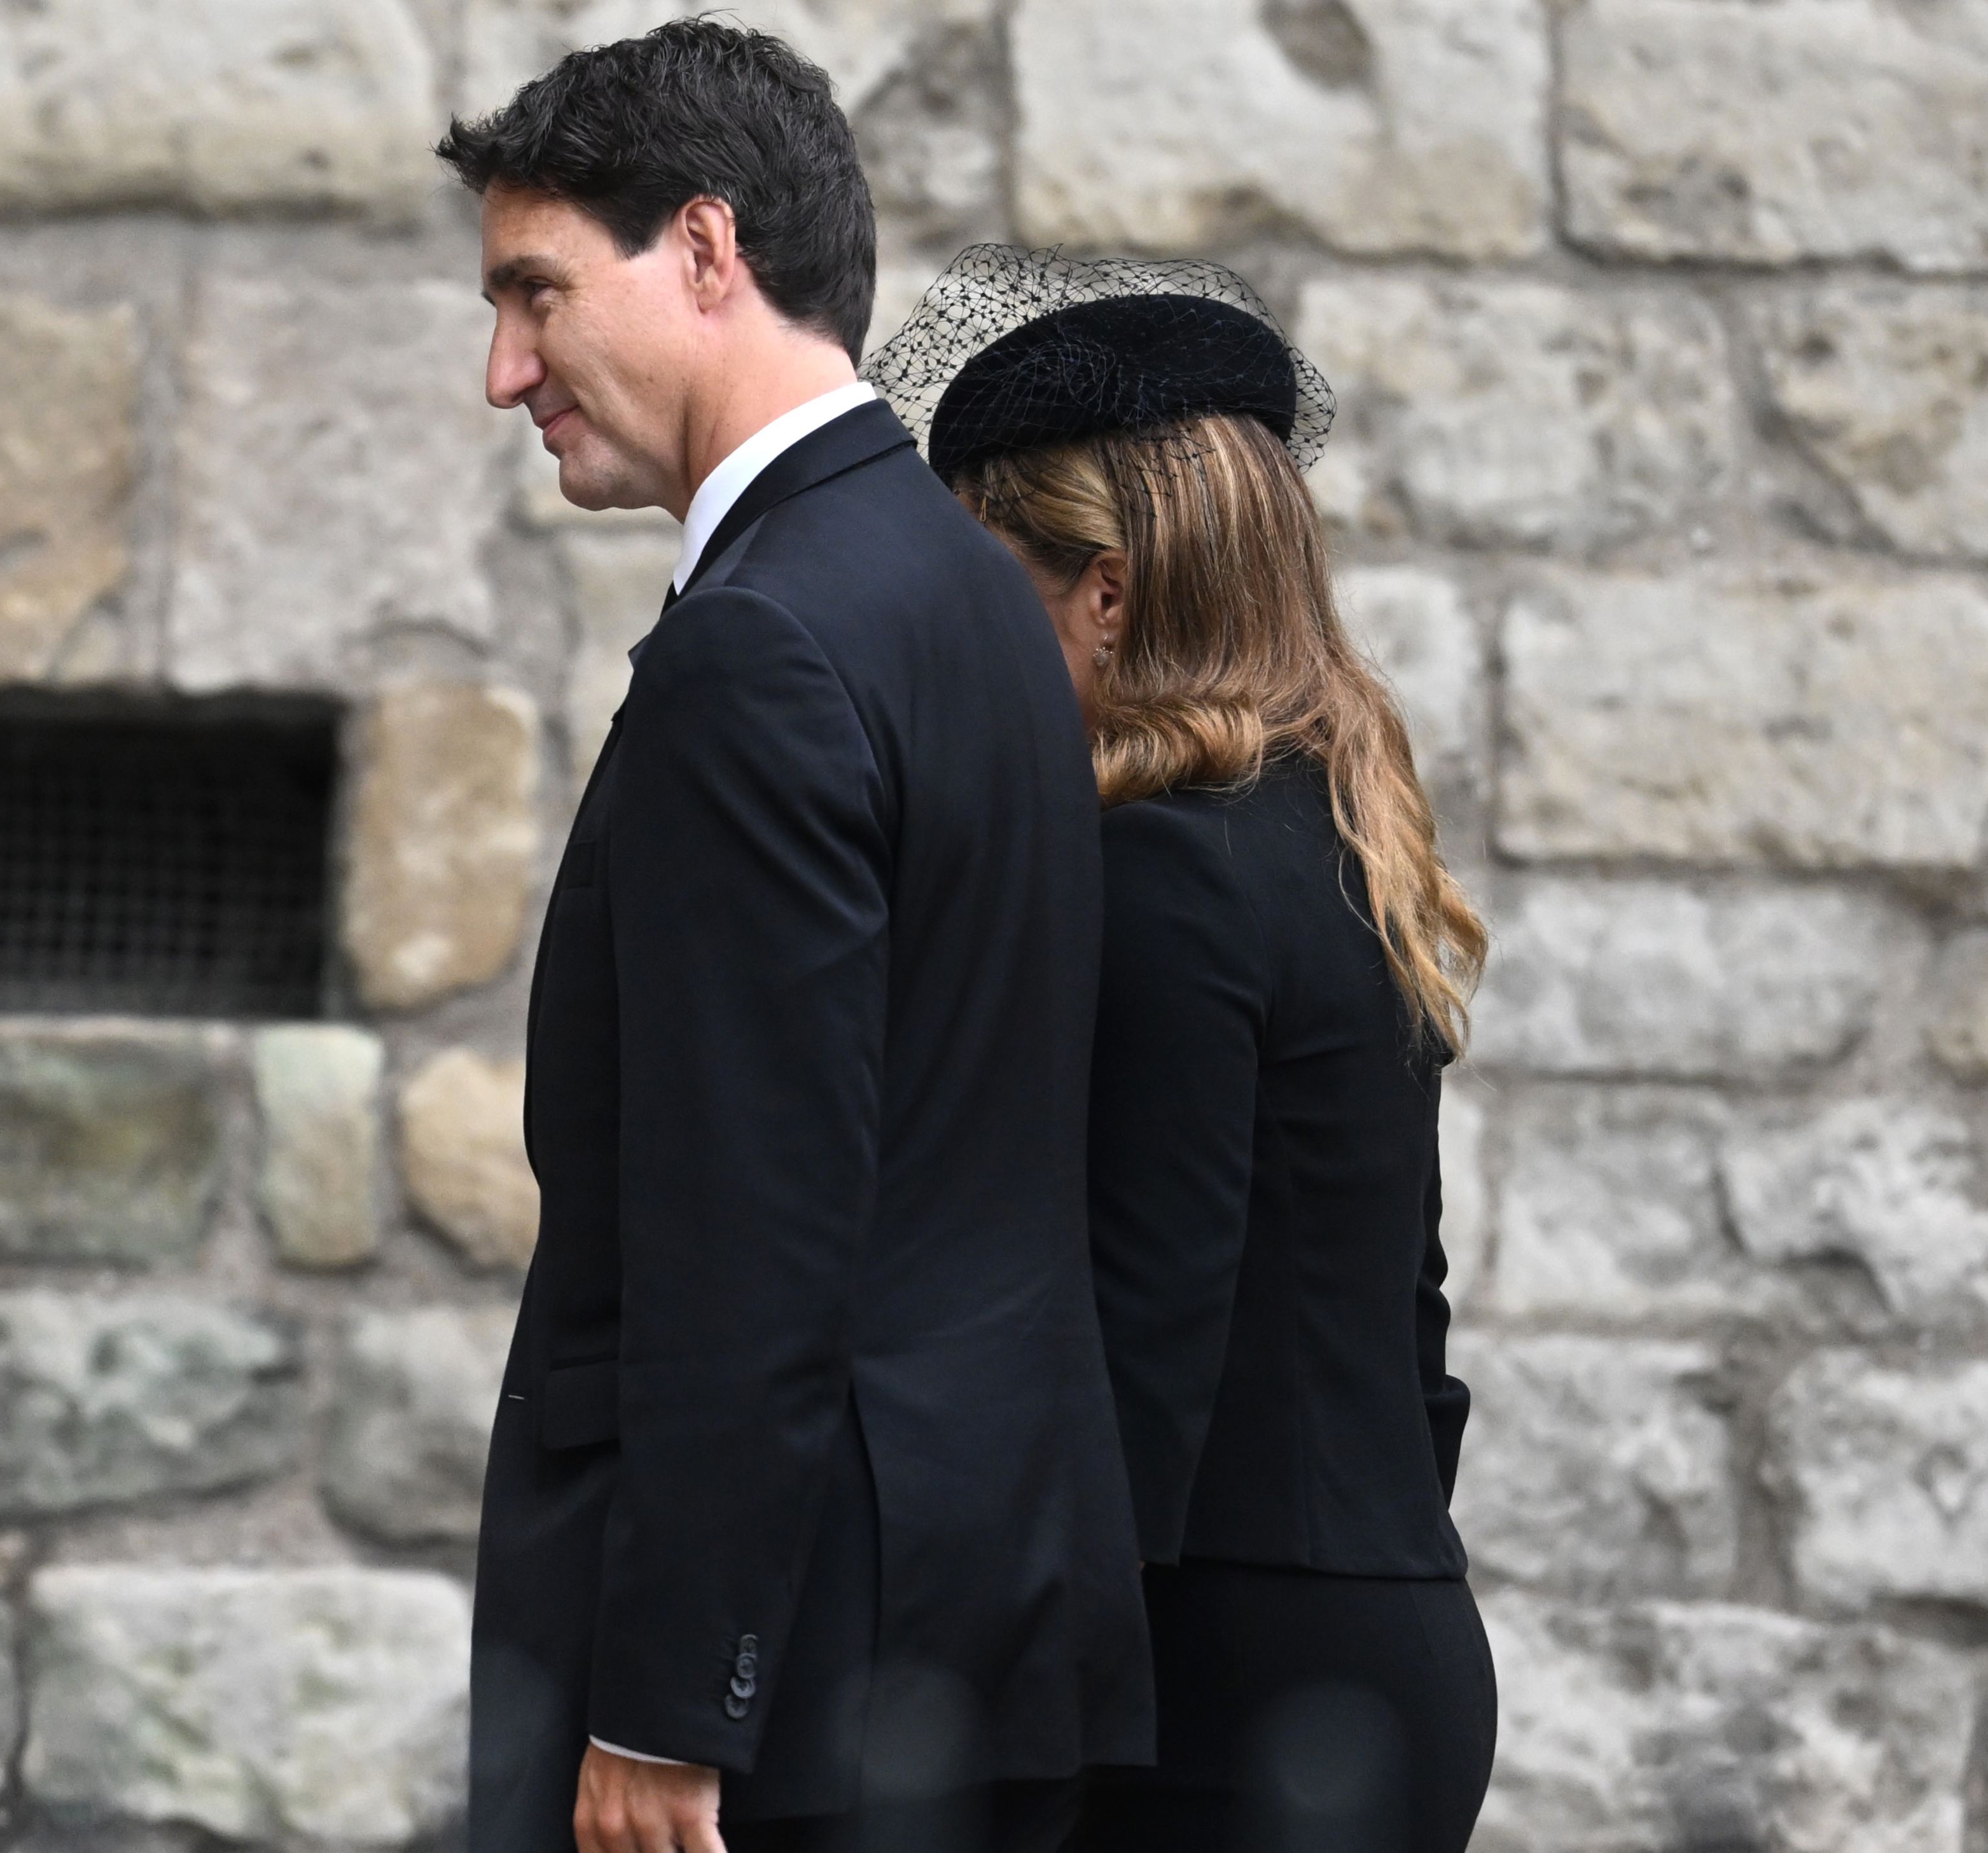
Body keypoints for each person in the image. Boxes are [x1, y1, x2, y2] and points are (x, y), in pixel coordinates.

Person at [439, 31, 1153, 1853]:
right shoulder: (970, 597)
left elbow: (747, 1220)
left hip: (790, 1698)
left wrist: (671, 1699)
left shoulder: (763, 644)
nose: (503, 368)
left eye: (535, 291)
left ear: (704, 248)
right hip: (978, 1629)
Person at [864, 247, 1499, 1853]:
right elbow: (1410, 1322)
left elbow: (1142, 1345)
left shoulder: (1157, 868)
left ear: (1105, 592)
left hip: (1224, 1689)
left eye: (987, 595)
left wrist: (1002, 1710)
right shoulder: (1333, 843)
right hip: (1376, 1635)